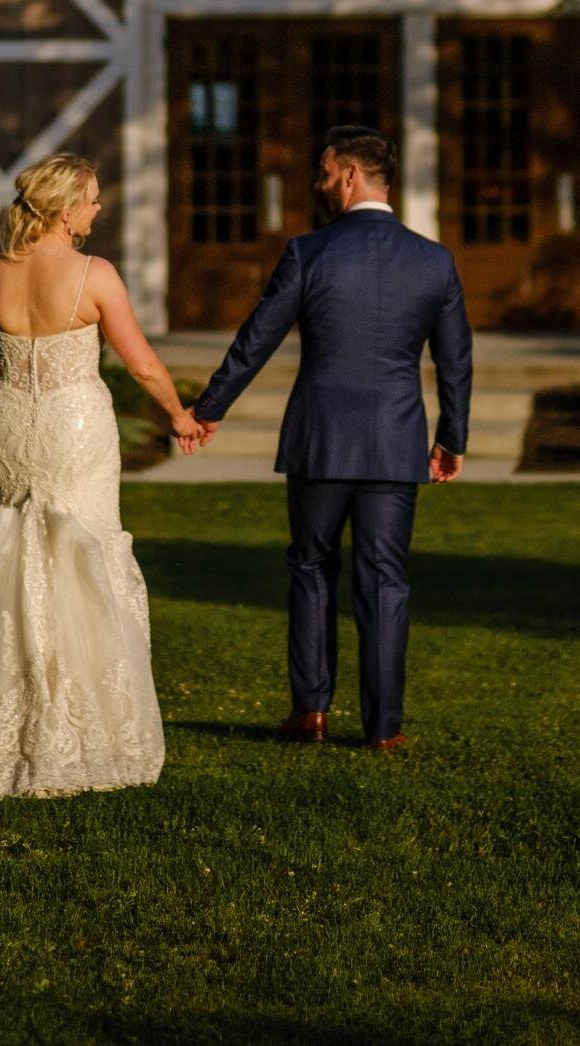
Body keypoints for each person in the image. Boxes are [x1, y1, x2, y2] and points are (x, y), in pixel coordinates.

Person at [0, 150, 200, 800]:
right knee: (82, 557)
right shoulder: (94, 274)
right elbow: (144, 365)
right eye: (93, 198)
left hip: (7, 423)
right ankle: (84, 735)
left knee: (9, 559)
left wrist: (2, 418)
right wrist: (180, 414)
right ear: (67, 207)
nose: (98, 208)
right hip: (75, 428)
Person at [189, 120, 472, 752]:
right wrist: (451, 438)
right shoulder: (434, 261)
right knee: (385, 577)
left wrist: (212, 406)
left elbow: (256, 337)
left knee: (312, 567)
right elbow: (454, 361)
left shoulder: (308, 253)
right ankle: (383, 728)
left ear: (348, 175)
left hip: (321, 438)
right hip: (397, 442)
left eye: (323, 172)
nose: (318, 185)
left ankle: (311, 712)